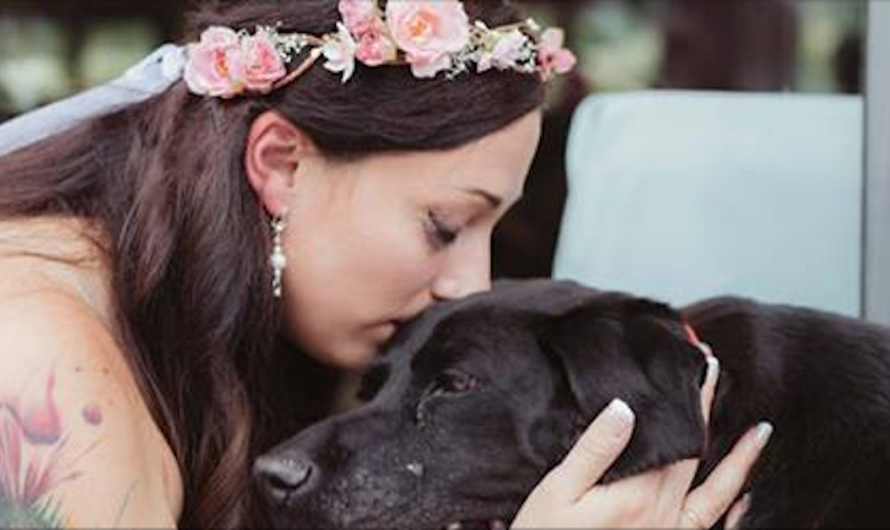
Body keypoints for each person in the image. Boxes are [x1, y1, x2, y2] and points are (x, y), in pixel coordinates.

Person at [0, 0, 770, 528]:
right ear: (282, 164)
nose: (469, 283)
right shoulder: (45, 377)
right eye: (444, 225)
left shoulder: (175, 321)